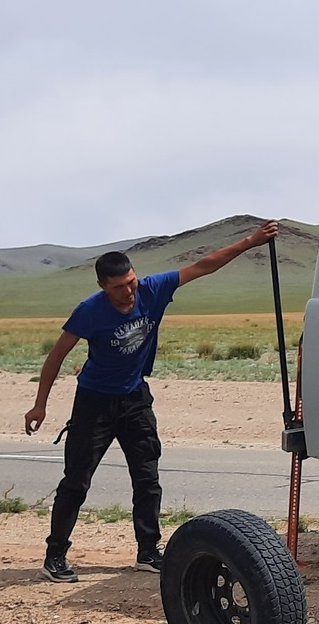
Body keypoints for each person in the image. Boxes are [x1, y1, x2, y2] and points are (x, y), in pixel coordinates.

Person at [25, 221, 279, 582]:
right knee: (77, 481)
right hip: (94, 403)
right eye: (119, 288)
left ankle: (148, 551)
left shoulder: (153, 289)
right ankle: (55, 556)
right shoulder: (90, 310)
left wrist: (251, 242)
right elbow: (57, 355)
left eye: (131, 282)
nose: (129, 292)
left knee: (147, 477)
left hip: (135, 399)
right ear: (102, 287)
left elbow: (203, 265)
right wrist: (40, 405)